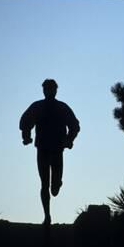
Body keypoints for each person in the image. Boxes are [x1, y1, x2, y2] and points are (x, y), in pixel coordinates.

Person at [19, 79, 80, 226]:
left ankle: (57, 183)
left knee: (54, 187)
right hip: (43, 149)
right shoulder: (38, 107)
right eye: (46, 88)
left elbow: (74, 125)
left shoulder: (62, 107)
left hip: (57, 149)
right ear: (44, 90)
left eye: (51, 89)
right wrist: (26, 136)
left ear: (55, 90)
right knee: (44, 184)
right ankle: (47, 216)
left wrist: (69, 139)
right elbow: (25, 122)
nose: (48, 91)